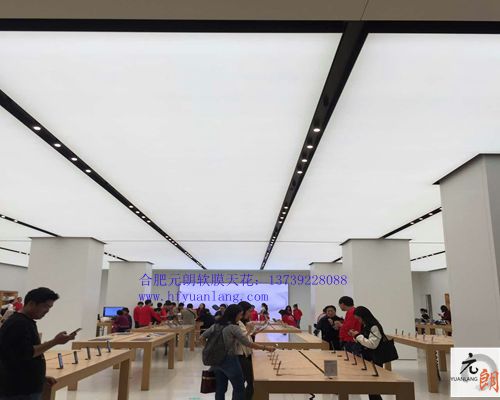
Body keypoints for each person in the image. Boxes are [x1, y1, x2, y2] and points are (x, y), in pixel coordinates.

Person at [0, 287, 77, 400]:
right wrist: (55, 342)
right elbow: (27, 352)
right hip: (19, 391)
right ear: (31, 303)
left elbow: (18, 359)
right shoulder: (18, 324)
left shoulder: (25, 322)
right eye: (45, 306)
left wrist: (41, 377)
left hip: (24, 387)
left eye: (49, 308)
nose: (47, 311)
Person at [200, 304, 275, 400]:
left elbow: (201, 338)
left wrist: (208, 348)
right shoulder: (234, 328)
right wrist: (266, 348)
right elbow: (248, 343)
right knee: (239, 389)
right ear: (234, 315)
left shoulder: (216, 325)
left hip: (216, 361)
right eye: (240, 314)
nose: (241, 317)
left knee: (220, 389)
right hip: (230, 360)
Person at [349, 306, 386, 400]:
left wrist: (358, 335)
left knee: (374, 388)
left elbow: (372, 344)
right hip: (368, 358)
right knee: (371, 388)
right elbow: (364, 340)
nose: (359, 321)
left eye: (359, 319)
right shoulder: (366, 326)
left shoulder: (374, 327)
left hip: (374, 359)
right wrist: (355, 336)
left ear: (364, 316)